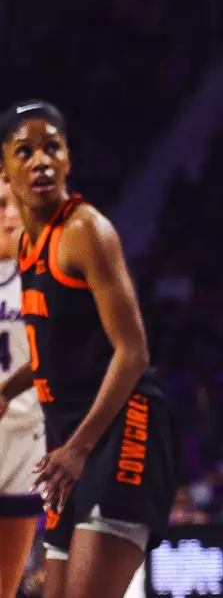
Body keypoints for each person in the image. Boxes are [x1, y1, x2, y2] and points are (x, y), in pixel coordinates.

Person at [0, 101, 177, 598]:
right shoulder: (31, 246)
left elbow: (133, 351)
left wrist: (78, 448)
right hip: (72, 440)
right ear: (6, 172)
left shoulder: (85, 231)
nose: (41, 160)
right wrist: (10, 389)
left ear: (68, 160)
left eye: (52, 147)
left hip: (122, 425)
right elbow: (56, 351)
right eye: (25, 151)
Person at [0, 183, 43, 598]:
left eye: (18, 205)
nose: (11, 215)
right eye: (1, 206)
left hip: (25, 435)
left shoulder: (48, 272)